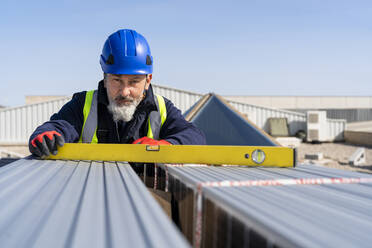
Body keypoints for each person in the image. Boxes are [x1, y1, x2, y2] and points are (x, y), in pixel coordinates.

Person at [29, 29, 206, 157]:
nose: (124, 91)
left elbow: (194, 137)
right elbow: (58, 126)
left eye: (134, 82)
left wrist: (166, 145)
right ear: (105, 78)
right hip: (90, 193)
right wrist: (46, 135)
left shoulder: (161, 108)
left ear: (148, 80)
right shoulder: (83, 104)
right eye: (117, 80)